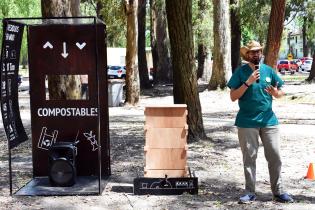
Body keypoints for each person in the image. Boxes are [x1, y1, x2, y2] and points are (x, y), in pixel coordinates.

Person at [227, 40, 294, 204]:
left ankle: (277, 192)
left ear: (261, 54)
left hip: (269, 121)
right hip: (247, 122)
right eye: (252, 52)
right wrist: (247, 82)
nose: (256, 54)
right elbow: (233, 97)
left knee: (275, 156)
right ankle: (250, 192)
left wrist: (276, 93)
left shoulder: (268, 71)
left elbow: (281, 92)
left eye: (258, 51)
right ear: (247, 55)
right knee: (249, 158)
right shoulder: (241, 72)